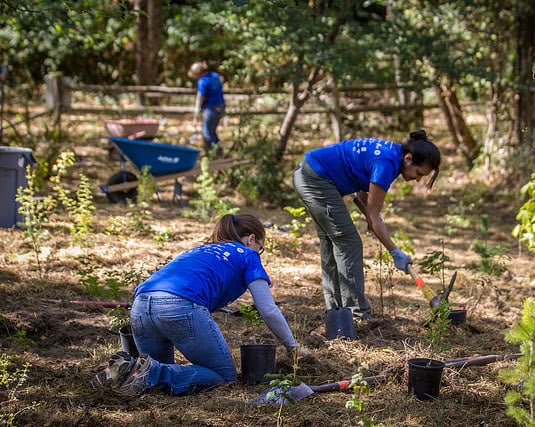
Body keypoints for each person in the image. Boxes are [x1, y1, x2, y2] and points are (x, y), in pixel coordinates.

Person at [91, 214, 311, 396]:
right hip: (178, 306)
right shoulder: (247, 255)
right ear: (252, 239)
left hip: (140, 305)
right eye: (260, 248)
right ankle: (150, 372)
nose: (258, 253)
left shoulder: (197, 251)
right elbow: (268, 310)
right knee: (224, 376)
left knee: (153, 376)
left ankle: (126, 368)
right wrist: (293, 347)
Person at [293, 129, 441, 320]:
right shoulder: (386, 164)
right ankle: (357, 313)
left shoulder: (392, 156)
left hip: (308, 172)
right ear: (409, 158)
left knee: (332, 241)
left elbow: (362, 195)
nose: (418, 178)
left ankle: (337, 312)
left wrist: (373, 220)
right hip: (315, 178)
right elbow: (373, 215)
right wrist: (395, 252)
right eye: (418, 172)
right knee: (349, 242)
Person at [189, 60, 225, 156]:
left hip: (211, 107)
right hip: (221, 106)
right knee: (212, 131)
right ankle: (219, 152)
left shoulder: (202, 82)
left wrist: (196, 115)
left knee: (207, 133)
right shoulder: (214, 75)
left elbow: (200, 98)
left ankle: (212, 153)